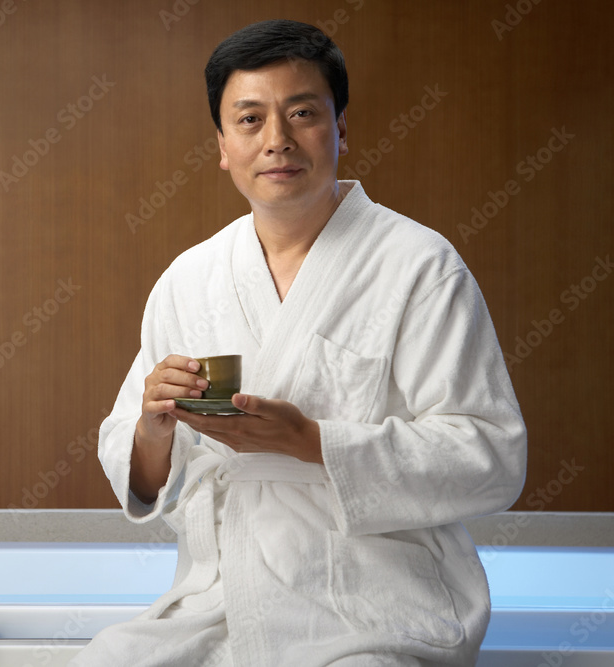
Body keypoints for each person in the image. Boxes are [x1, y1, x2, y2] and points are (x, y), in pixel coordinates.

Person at [72, 19, 527, 667]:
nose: (277, 140)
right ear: (223, 145)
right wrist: (153, 425)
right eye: (250, 120)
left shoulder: (419, 266)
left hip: (371, 605)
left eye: (302, 113)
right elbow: (142, 476)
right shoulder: (191, 279)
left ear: (340, 127)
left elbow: (491, 456)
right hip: (219, 602)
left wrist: (311, 442)